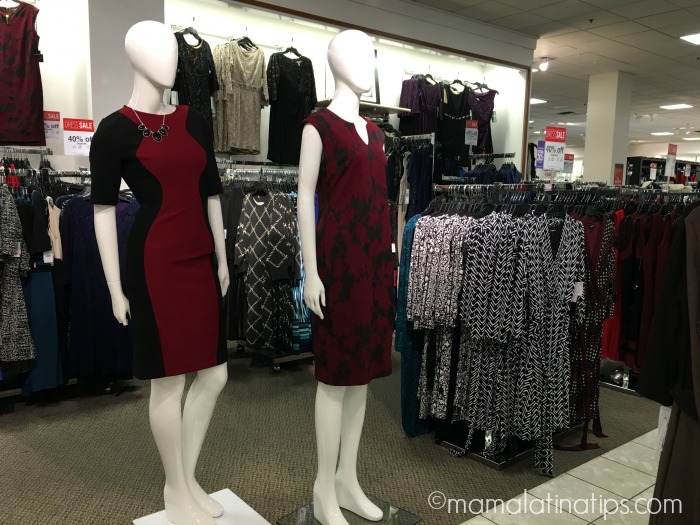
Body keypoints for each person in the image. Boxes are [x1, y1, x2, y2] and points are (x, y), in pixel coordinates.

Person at [91, 21, 228, 525]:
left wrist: (222, 257)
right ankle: (176, 489)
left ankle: (186, 478)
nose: (170, 58)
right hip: (154, 264)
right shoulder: (114, 131)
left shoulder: (195, 121)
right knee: (168, 382)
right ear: (134, 57)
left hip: (200, 259)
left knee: (215, 374)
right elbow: (102, 210)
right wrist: (114, 287)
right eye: (157, 49)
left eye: (173, 49)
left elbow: (212, 192)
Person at [297, 29, 395, 525]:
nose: (367, 64)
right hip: (338, 268)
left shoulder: (376, 134)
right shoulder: (318, 127)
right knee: (335, 378)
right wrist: (310, 272)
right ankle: (323, 487)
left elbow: (380, 199)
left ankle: (347, 479)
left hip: (375, 266)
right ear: (335, 62)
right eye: (357, 55)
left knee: (362, 379)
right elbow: (304, 198)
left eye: (370, 56)